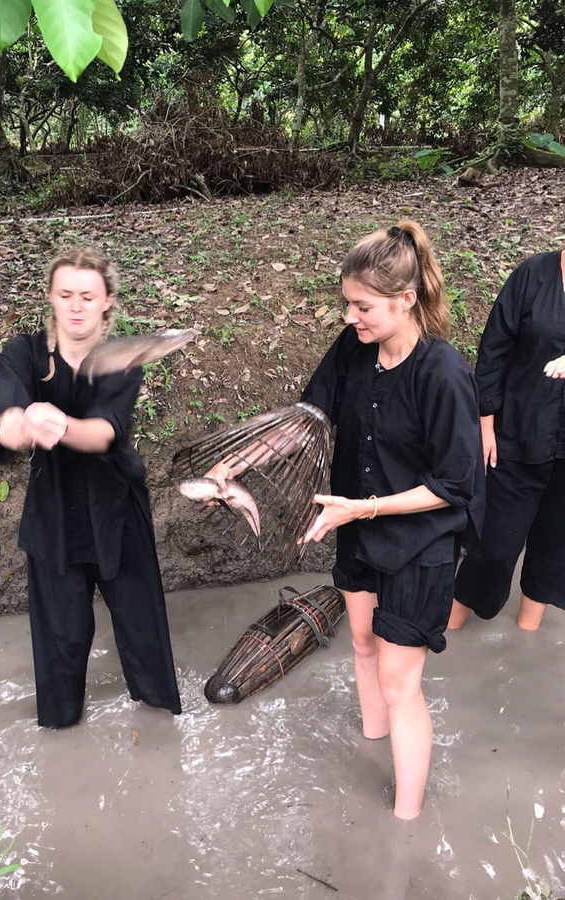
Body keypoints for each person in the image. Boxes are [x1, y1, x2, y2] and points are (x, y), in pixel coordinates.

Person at [205, 221, 483, 819]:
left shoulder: (445, 374)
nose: (352, 317)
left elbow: (455, 486)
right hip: (355, 528)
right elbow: (304, 423)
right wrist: (232, 467)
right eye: (347, 305)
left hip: (419, 543)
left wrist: (367, 507)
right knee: (361, 645)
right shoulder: (352, 350)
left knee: (399, 681)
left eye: (364, 306)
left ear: (406, 300)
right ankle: (371, 743)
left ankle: (404, 822)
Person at [0, 247, 182, 728]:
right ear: (51, 297)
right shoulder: (23, 353)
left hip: (116, 508)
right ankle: (60, 725)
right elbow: (5, 425)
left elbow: (105, 432)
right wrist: (22, 423)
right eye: (66, 294)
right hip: (52, 512)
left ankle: (161, 723)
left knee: (142, 628)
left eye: (87, 296)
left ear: (106, 301)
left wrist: (58, 425)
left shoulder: (121, 357)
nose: (76, 306)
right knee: (61, 637)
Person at [449, 249, 565, 632]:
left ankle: (525, 644)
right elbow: (494, 350)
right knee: (493, 550)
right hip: (518, 437)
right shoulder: (532, 275)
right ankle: (443, 634)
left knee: (553, 552)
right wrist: (485, 425)